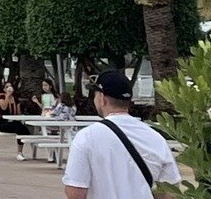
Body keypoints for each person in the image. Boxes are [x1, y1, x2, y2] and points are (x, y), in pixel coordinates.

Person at [62, 68, 178, 199]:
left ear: (101, 98)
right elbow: (170, 191)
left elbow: (75, 191)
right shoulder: (155, 137)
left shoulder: (87, 137)